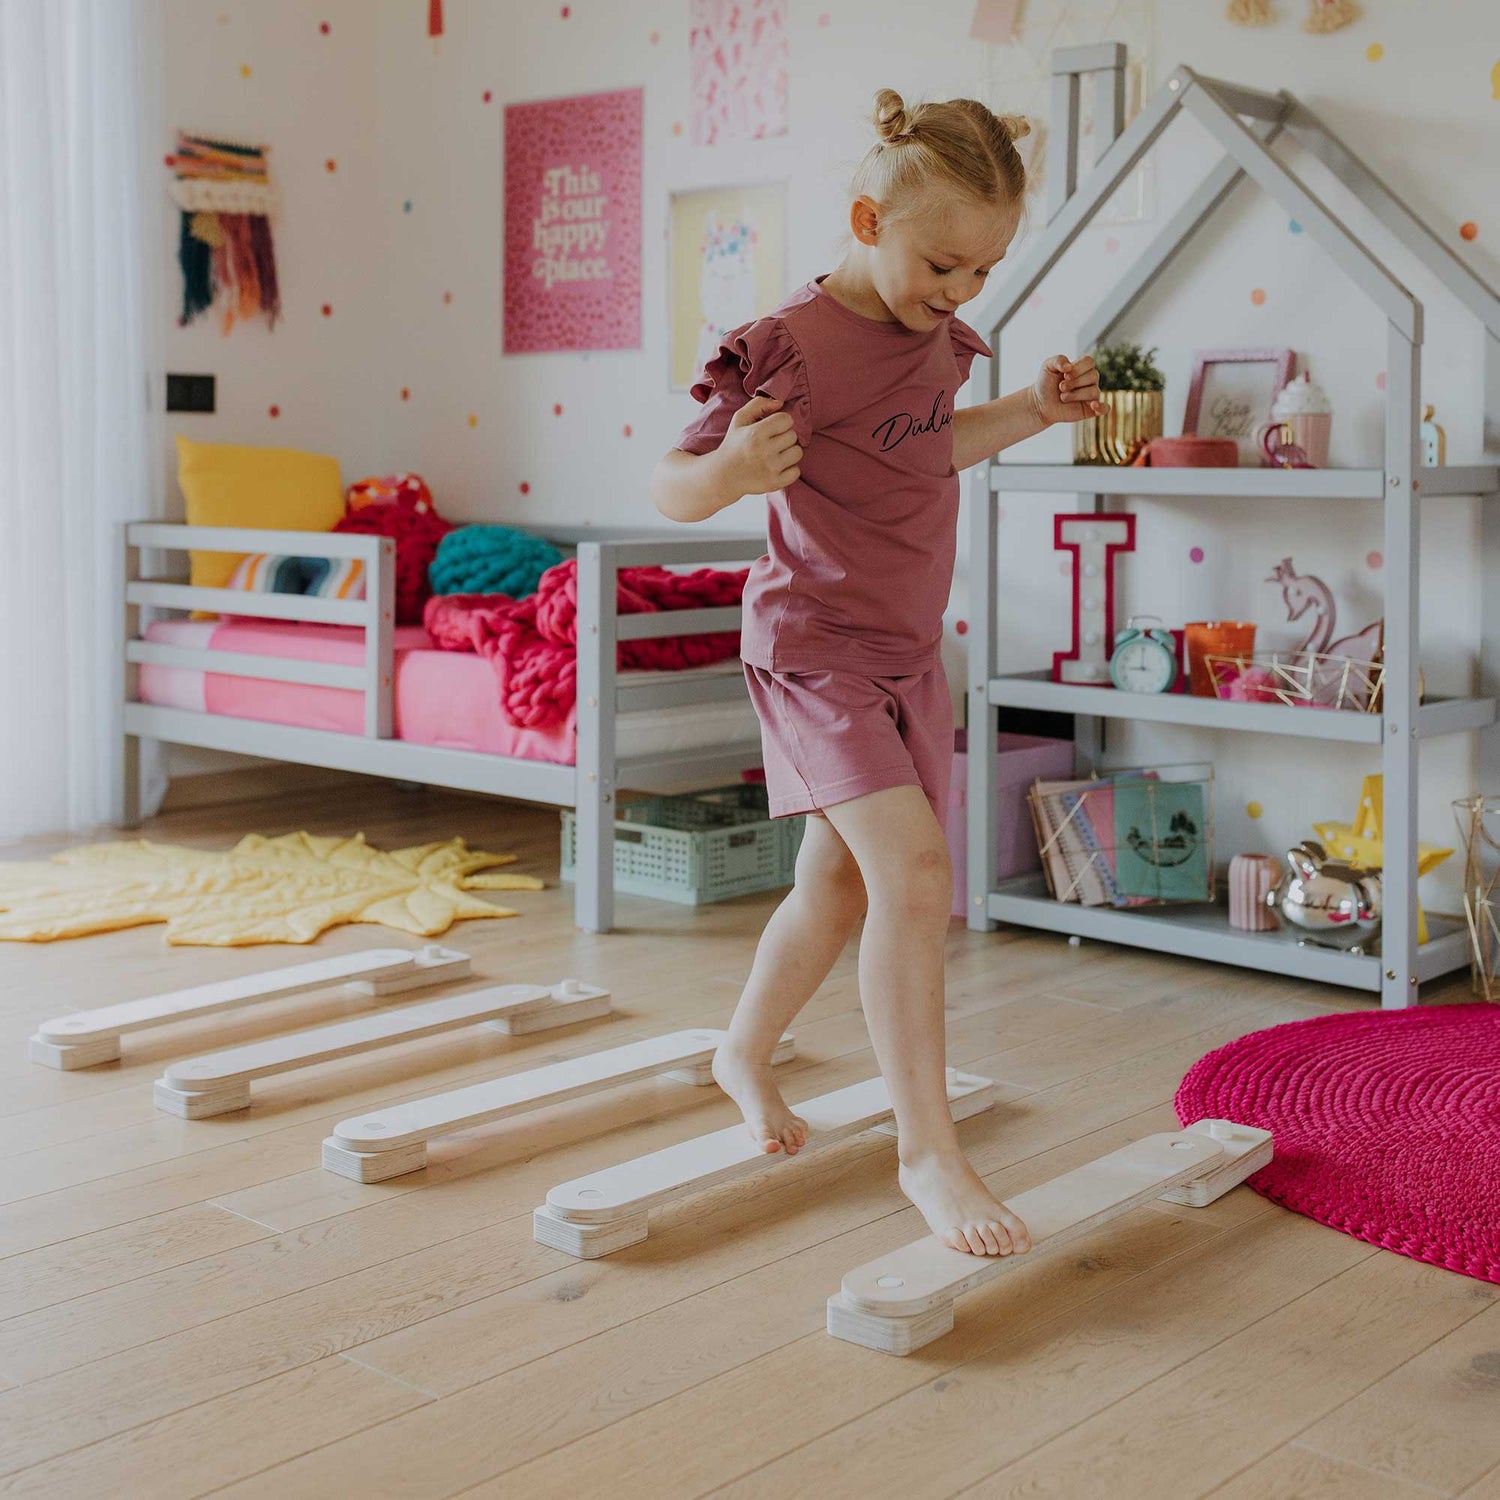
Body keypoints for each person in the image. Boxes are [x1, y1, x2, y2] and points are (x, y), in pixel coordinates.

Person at [649, 87, 1102, 1257]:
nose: (957, 294)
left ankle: (740, 1050)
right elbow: (670, 484)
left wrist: (1030, 411)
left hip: (909, 656)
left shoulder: (931, 342)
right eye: (942, 265)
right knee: (912, 878)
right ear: (868, 218)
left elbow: (929, 447)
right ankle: (929, 1154)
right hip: (815, 655)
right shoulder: (791, 345)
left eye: (984, 276)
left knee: (841, 890)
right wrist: (733, 468)